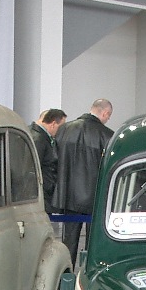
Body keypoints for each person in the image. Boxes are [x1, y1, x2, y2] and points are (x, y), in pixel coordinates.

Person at [53, 98, 114, 263]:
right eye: (108, 116)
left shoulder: (64, 129)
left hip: (68, 195)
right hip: (95, 198)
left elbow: (54, 161)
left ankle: (65, 273)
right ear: (105, 113)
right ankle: (88, 273)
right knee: (93, 242)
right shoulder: (107, 135)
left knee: (68, 242)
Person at [29, 108, 66, 212]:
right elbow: (32, 169)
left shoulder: (36, 135)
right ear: (53, 124)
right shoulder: (38, 139)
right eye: (61, 127)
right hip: (42, 196)